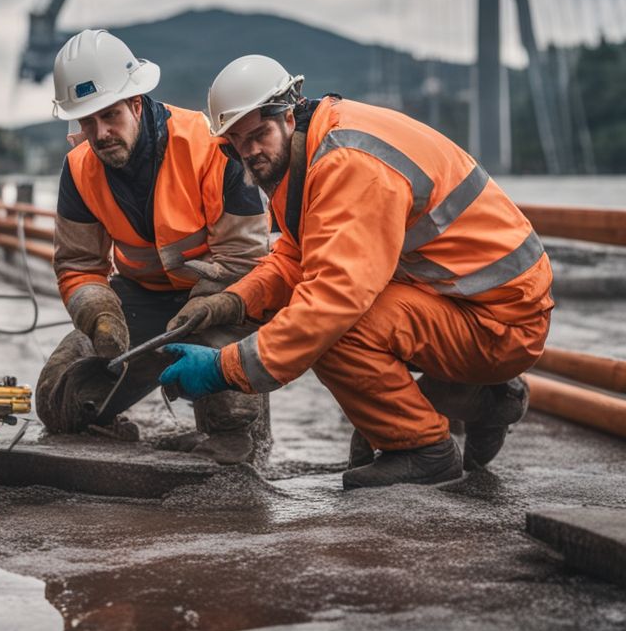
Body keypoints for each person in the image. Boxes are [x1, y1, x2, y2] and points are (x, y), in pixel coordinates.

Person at [161, 54, 553, 488]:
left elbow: (331, 301)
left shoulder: (346, 163)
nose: (249, 151)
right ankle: (486, 397)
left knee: (337, 331)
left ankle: (425, 452)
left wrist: (224, 368)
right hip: (468, 303)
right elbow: (296, 256)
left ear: (288, 114)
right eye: (235, 142)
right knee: (349, 354)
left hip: (500, 322)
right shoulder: (311, 149)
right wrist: (230, 302)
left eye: (258, 134)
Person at [35, 30, 271, 464]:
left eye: (110, 116)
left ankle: (237, 434)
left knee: (228, 403)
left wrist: (202, 311)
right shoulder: (79, 168)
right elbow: (78, 264)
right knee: (59, 401)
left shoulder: (209, 146)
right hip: (142, 298)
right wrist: (100, 316)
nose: (100, 133)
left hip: (220, 300)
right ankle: (110, 420)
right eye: (87, 121)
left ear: (136, 104)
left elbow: (246, 262)